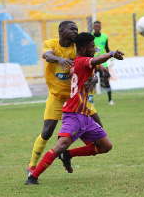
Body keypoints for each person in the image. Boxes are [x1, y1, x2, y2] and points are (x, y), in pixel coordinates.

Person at [25, 32, 124, 185]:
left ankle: (68, 155)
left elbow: (94, 64)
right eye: (92, 47)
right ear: (84, 49)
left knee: (106, 146)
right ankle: (33, 176)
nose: (95, 49)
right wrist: (111, 54)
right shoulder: (81, 61)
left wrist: (96, 75)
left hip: (85, 114)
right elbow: (95, 60)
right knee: (61, 145)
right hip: (74, 113)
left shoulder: (83, 61)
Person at [92, 21, 114, 105]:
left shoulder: (104, 37)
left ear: (100, 27)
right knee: (91, 82)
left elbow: (107, 49)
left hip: (103, 63)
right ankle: (91, 100)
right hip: (93, 62)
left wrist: (111, 57)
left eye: (98, 26)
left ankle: (110, 100)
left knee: (106, 81)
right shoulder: (90, 37)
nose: (97, 28)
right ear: (93, 27)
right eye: (95, 26)